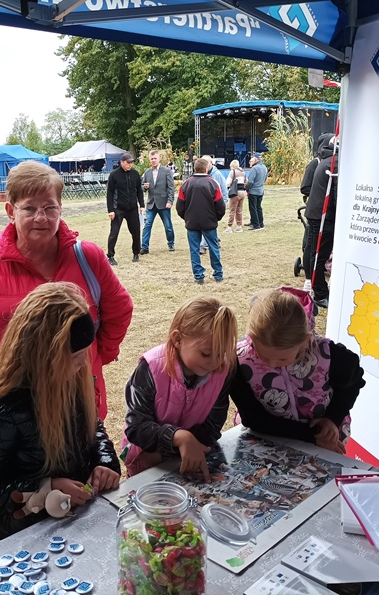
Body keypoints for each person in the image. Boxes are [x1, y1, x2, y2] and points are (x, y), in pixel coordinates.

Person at [0, 160, 132, 420]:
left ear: (61, 208)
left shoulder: (87, 257)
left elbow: (120, 309)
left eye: (49, 207)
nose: (41, 218)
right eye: (29, 208)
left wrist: (96, 355)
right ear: (11, 210)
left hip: (80, 401)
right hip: (16, 409)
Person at [0, 282, 121, 542]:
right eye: (76, 355)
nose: (83, 364)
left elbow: (94, 428)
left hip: (77, 522)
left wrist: (104, 463)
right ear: (45, 355)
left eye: (84, 354)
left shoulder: (70, 383)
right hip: (27, 537)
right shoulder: (4, 407)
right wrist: (46, 489)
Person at [230, 287, 364, 455]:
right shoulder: (239, 361)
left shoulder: (329, 356)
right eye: (262, 355)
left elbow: (354, 382)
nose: (272, 364)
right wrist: (311, 436)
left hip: (324, 443)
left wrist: (332, 418)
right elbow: (254, 418)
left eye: (282, 359)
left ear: (306, 341)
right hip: (266, 441)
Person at [121, 295, 238, 478]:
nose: (215, 363)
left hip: (191, 459)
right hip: (147, 459)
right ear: (177, 339)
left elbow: (214, 423)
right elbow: (136, 427)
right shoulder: (151, 367)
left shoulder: (223, 370)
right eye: (206, 353)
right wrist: (178, 438)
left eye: (221, 353)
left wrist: (191, 447)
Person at [176, 158, 226, 284]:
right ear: (206, 169)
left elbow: (179, 206)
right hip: (209, 221)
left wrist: (186, 217)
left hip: (192, 222)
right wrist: (216, 218)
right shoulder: (213, 183)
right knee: (213, 247)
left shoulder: (186, 184)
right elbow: (220, 205)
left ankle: (198, 276)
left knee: (194, 249)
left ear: (194, 168)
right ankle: (218, 274)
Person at [303, 135, 338, 308]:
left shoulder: (327, 161)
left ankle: (319, 290)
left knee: (316, 253)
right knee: (318, 254)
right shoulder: (333, 163)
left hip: (320, 214)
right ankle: (320, 293)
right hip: (323, 216)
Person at [106, 151, 145, 265]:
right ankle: (110, 256)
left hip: (132, 208)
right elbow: (110, 193)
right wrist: (111, 210)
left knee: (136, 231)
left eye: (131, 163)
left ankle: (136, 252)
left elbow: (139, 191)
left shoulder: (135, 174)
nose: (130, 165)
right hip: (118, 208)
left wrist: (141, 205)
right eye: (128, 163)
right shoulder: (114, 175)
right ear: (122, 162)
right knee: (114, 232)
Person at [140, 149, 175, 254]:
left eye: (155, 158)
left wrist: (170, 201)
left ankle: (171, 243)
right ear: (149, 160)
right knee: (147, 225)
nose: (153, 160)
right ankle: (144, 247)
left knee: (168, 226)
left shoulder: (166, 171)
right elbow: (141, 187)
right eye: (152, 159)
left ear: (159, 159)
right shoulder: (147, 172)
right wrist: (144, 187)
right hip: (151, 204)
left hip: (164, 203)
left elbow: (171, 188)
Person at [199, 155, 227, 255]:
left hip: (216, 203)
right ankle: (215, 240)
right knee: (210, 225)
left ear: (211, 163)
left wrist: (223, 203)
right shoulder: (203, 174)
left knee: (207, 224)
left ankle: (203, 246)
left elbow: (223, 189)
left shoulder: (217, 174)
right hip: (206, 204)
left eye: (206, 162)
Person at [224, 159, 247, 233]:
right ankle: (239, 226)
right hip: (242, 192)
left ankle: (229, 227)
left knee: (232, 210)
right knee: (239, 210)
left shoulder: (232, 172)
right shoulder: (243, 172)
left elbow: (228, 182)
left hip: (235, 192)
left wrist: (228, 187)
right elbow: (246, 182)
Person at [245, 155, 268, 231]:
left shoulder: (254, 168)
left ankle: (256, 225)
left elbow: (250, 181)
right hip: (260, 190)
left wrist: (246, 188)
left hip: (253, 191)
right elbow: (265, 179)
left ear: (256, 160)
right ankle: (260, 223)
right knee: (258, 207)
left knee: (253, 208)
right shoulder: (264, 167)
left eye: (252, 159)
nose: (250, 161)